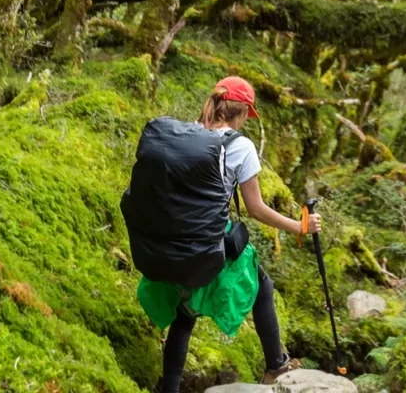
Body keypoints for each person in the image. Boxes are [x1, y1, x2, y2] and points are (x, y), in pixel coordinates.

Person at [126, 76, 322, 393]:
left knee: (184, 313)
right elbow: (255, 208)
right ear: (242, 111)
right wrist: (299, 226)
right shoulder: (240, 146)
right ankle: (275, 366)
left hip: (172, 241)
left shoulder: (189, 133)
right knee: (261, 285)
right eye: (248, 114)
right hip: (206, 247)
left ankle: (171, 388)